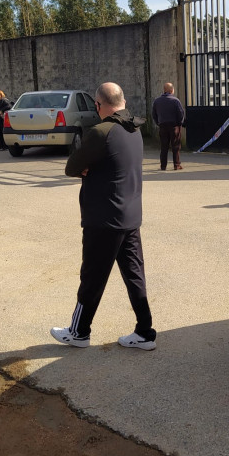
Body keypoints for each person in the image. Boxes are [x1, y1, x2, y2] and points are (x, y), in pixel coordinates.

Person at [50, 82, 157, 351]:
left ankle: (79, 332)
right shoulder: (134, 128)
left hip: (104, 218)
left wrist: (87, 167)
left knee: (92, 276)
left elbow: (71, 166)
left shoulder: (101, 131)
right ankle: (145, 332)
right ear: (122, 100)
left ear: (99, 105)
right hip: (130, 215)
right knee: (135, 275)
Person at [151, 82, 185, 171]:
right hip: (174, 126)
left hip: (162, 125)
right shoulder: (175, 101)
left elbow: (154, 114)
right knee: (176, 146)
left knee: (164, 147)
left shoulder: (157, 101)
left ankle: (163, 166)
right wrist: (179, 123)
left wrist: (158, 123)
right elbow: (181, 113)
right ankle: (176, 165)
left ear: (164, 90)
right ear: (171, 90)